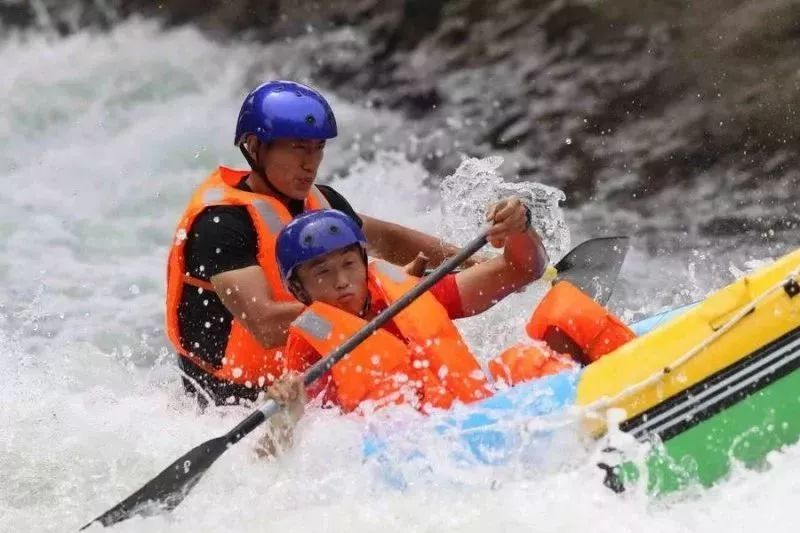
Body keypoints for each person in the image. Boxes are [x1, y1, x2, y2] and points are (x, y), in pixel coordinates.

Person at [165, 81, 482, 406]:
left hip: (310, 372)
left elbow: (387, 238)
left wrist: (473, 261)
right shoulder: (220, 225)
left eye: (318, 147)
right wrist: (373, 300)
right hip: (231, 396)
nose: (311, 162)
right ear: (255, 146)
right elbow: (265, 324)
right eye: (298, 148)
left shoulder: (322, 202)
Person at [266, 205, 635, 419]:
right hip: (415, 451)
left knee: (561, 313)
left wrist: (520, 230)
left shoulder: (407, 293)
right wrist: (287, 414)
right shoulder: (311, 353)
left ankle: (646, 385)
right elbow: (288, 455)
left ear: (365, 262)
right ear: (298, 289)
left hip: (473, 412)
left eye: (349, 264)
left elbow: (521, 269)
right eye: (323, 273)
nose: (343, 281)